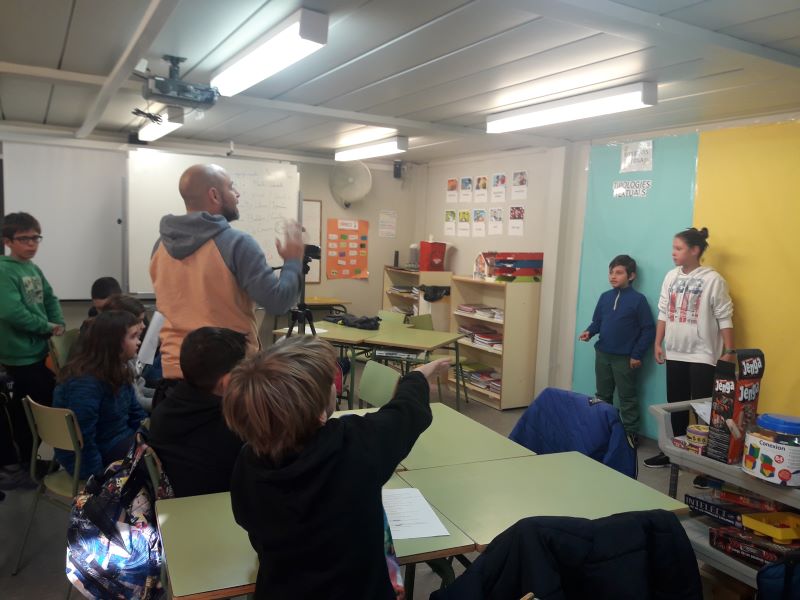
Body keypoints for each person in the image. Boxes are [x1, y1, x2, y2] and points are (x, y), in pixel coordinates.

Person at [222, 336, 451, 599]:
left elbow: (248, 522)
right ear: (318, 408)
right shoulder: (355, 443)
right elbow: (406, 412)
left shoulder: (248, 462)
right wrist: (418, 376)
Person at [149, 163, 304, 388]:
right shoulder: (237, 244)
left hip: (175, 372)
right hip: (226, 379)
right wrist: (293, 261)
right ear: (214, 195)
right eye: (231, 187)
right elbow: (278, 302)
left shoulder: (160, 246)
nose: (237, 194)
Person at [644, 228, 734, 483]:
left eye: (678, 248)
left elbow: (724, 315)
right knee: (675, 404)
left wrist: (729, 350)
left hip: (703, 354)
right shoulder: (670, 276)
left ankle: (706, 465)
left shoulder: (713, 279)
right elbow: (664, 311)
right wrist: (658, 342)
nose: (673, 253)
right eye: (673, 248)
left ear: (695, 250)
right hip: (675, 351)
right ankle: (674, 454)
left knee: (704, 408)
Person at [0, 212, 65, 490]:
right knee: (24, 417)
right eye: (24, 239)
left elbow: (50, 299)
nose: (31, 244)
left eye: (36, 238)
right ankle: (22, 467)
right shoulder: (4, 270)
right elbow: (11, 312)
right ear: (7, 241)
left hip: (39, 352)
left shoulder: (33, 268)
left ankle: (34, 461)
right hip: (18, 357)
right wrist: (46, 327)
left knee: (40, 410)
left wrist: (58, 324)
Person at [148, 327, 247, 497]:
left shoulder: (165, 407)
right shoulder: (232, 425)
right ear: (226, 382)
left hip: (177, 500)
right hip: (217, 503)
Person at [53, 310, 147, 479]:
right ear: (113, 343)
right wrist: (97, 477)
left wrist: (146, 435)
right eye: (133, 337)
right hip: (95, 455)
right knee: (162, 460)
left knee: (169, 447)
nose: (139, 342)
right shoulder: (85, 382)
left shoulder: (118, 368)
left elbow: (135, 412)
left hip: (117, 440)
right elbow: (83, 437)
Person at [579, 255, 655, 442]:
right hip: (603, 355)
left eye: (619, 273)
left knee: (627, 397)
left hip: (625, 359)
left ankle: (630, 434)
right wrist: (589, 332)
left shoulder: (638, 300)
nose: (613, 276)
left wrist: (637, 354)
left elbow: (648, 329)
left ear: (631, 276)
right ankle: (602, 429)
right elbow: (597, 321)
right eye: (611, 272)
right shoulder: (605, 297)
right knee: (602, 395)